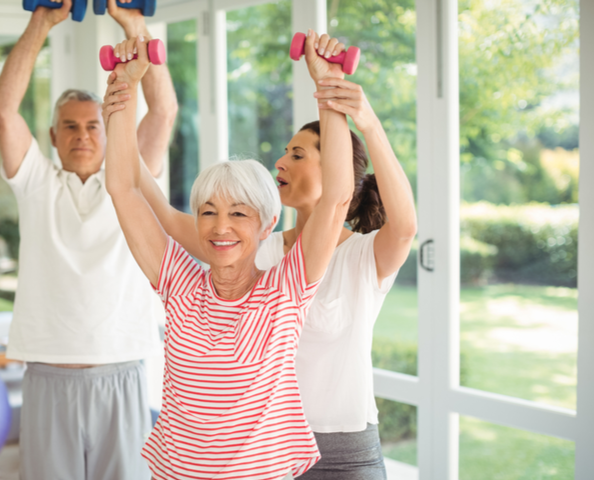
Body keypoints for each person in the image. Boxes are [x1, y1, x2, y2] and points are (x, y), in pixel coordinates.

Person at [107, 32, 417, 479]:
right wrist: (121, 95)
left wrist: (330, 91)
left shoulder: (283, 289)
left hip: (325, 445)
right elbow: (126, 190)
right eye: (208, 213)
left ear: (263, 222)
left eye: (238, 213)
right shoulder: (186, 280)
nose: (220, 227)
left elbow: (338, 200)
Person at [0, 0, 178, 477]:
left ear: (109, 131)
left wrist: (135, 25)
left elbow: (163, 110)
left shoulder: (130, 181)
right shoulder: (36, 183)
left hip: (121, 369)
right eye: (70, 126)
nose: (83, 135)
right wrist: (42, 21)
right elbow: (3, 110)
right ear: (53, 135)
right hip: (49, 373)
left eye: (94, 125)